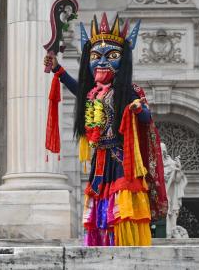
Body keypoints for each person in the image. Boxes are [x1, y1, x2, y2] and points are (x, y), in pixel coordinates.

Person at [44, 12, 167, 246]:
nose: (102, 62)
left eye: (111, 56)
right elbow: (76, 88)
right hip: (100, 158)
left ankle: (126, 248)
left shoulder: (129, 91)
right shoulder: (92, 92)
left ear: (123, 62)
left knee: (122, 206)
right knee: (101, 205)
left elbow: (146, 118)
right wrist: (58, 69)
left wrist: (138, 109)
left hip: (122, 159)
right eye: (95, 56)